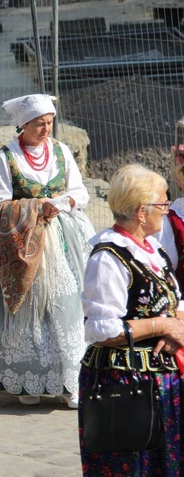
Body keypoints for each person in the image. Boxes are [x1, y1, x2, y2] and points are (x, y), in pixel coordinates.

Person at [0, 93, 95, 407]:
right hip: (19, 243)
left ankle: (71, 382)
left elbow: (79, 190)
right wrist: (35, 207)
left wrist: (65, 202)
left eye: (50, 122)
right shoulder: (6, 157)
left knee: (68, 306)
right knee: (27, 311)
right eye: (39, 124)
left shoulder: (61, 151)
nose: (46, 129)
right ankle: (29, 383)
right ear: (23, 125)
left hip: (63, 239)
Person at [80, 164, 184, 474]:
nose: (166, 209)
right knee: (132, 463)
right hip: (125, 385)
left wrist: (175, 323)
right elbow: (101, 328)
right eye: (162, 202)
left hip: (163, 380)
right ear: (141, 211)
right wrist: (161, 325)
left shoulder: (152, 250)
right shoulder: (108, 257)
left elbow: (174, 299)